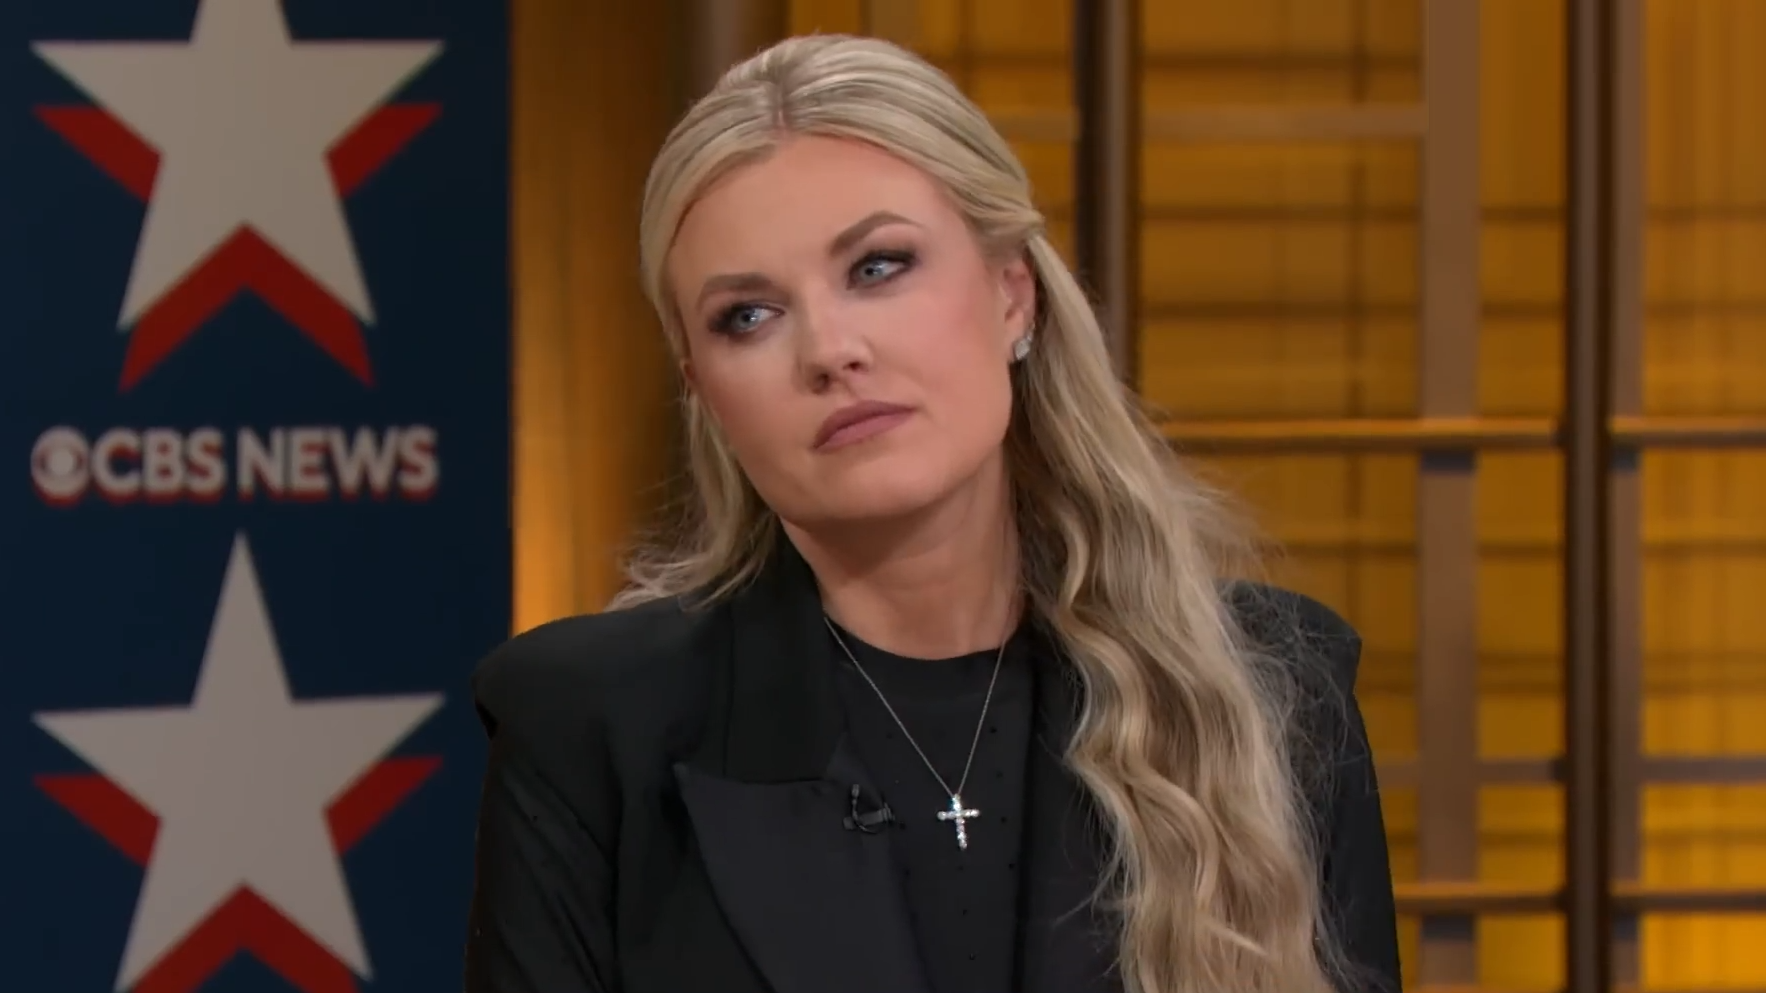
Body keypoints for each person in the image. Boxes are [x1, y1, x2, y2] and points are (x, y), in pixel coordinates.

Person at [462, 33, 1400, 993]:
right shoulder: (587, 730)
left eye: (877, 267)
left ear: (1012, 294)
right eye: (748, 315)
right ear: (701, 386)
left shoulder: (1271, 694)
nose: (829, 350)